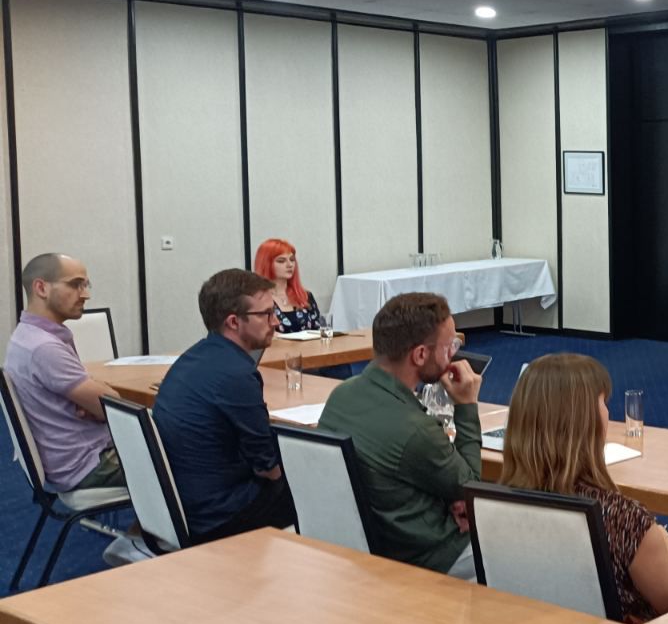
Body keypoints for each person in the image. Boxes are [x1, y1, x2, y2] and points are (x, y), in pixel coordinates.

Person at [499, 354, 668, 624]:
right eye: (604, 403)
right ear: (586, 421)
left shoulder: (497, 503)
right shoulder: (622, 518)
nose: (608, 412)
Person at [319, 293, 483, 578]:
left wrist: (451, 498)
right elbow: (473, 492)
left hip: (363, 544)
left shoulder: (341, 395)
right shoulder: (416, 429)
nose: (453, 355)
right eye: (450, 347)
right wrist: (466, 406)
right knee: (523, 547)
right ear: (420, 355)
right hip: (424, 557)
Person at [155, 269, 296, 541]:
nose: (276, 321)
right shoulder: (236, 374)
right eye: (267, 314)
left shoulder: (193, 357)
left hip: (183, 502)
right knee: (333, 487)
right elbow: (267, 467)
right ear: (234, 322)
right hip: (220, 515)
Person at [3, 253, 125, 490]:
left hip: (73, 456)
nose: (86, 294)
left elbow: (101, 405)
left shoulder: (27, 335)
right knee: (191, 456)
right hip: (89, 463)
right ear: (41, 288)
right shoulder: (44, 348)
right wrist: (100, 405)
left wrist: (95, 403)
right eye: (76, 284)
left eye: (86, 285)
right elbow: (115, 409)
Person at [253, 238, 322, 334]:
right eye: (281, 261)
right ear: (266, 264)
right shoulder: (256, 299)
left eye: (292, 260)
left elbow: (318, 330)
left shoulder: (305, 296)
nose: (290, 265)